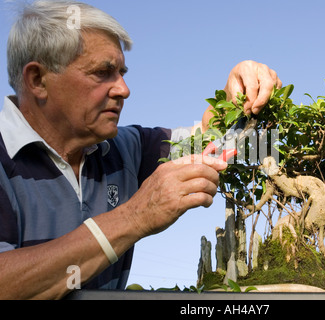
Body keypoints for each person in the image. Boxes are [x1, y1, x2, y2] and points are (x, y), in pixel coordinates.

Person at [0, 0, 282, 299]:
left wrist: (239, 97)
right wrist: (133, 218)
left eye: (122, 72)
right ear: (38, 79)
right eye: (102, 72)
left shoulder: (126, 148)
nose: (124, 89)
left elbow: (218, 144)